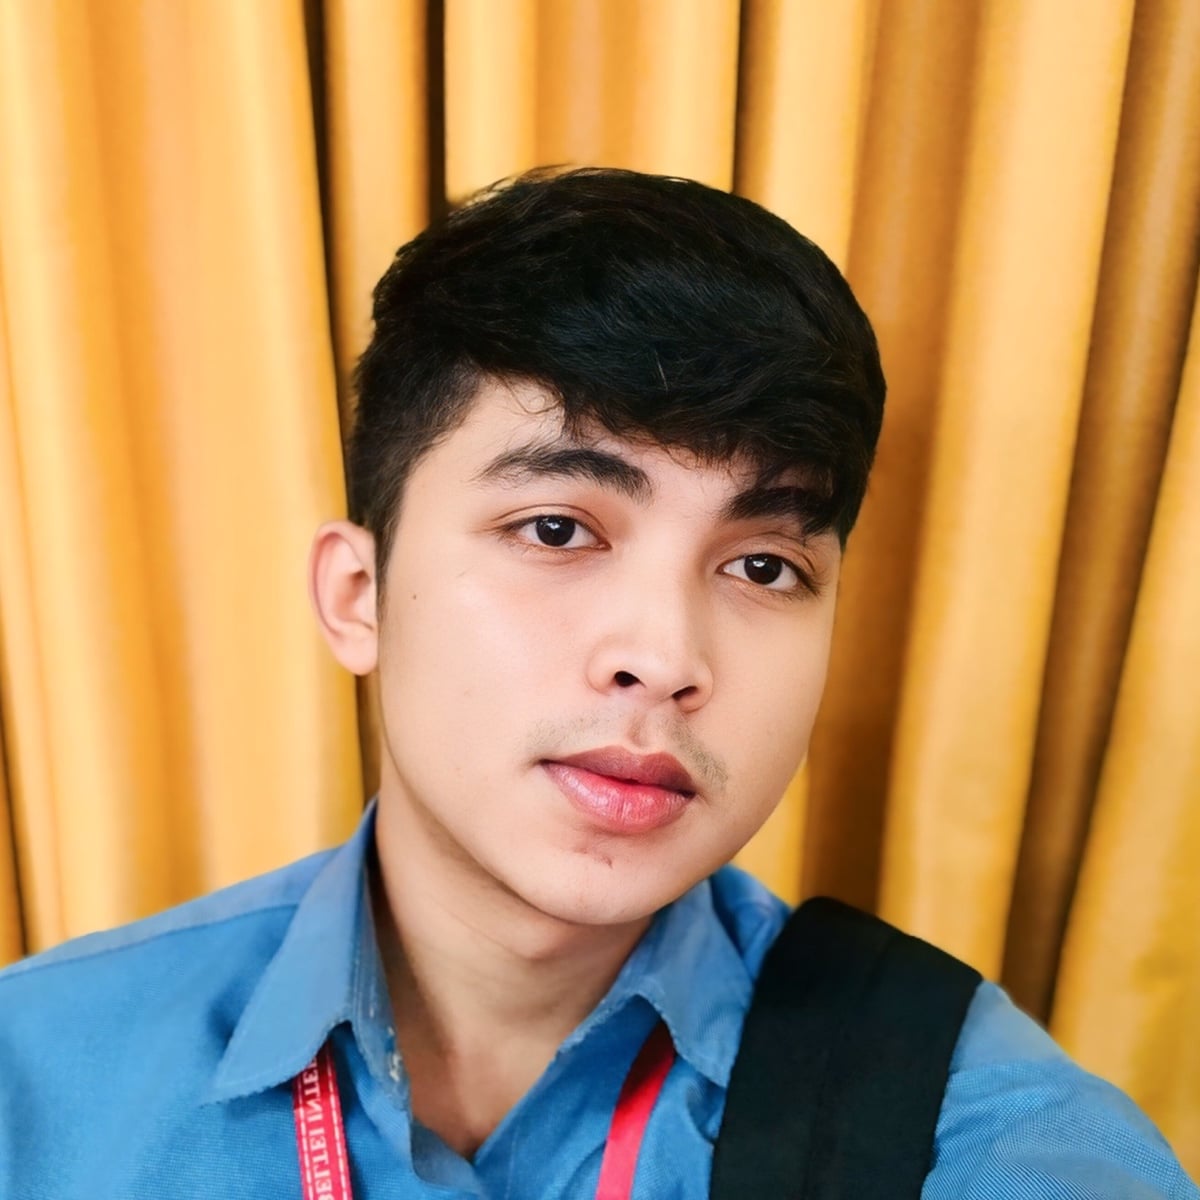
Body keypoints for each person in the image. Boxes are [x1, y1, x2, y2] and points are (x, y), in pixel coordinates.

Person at [0, 167, 1194, 1199]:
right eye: (558, 530)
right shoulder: (36, 1082)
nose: (665, 658)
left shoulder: (967, 1125)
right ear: (359, 596)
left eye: (763, 566)